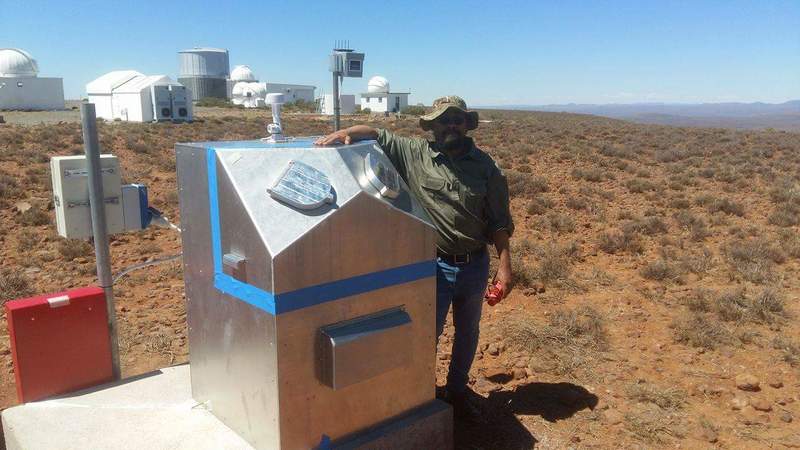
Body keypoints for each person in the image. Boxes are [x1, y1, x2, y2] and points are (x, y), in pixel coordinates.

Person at [315, 96, 514, 420]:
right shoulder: (414, 154)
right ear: (433, 125)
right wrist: (346, 131)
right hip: (431, 266)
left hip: (474, 266)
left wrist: (504, 266)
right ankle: (419, 393)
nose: (451, 125)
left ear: (466, 124)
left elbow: (499, 221)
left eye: (457, 119)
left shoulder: (486, 167)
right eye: (443, 120)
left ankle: (457, 392)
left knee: (468, 332)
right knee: (424, 334)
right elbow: (378, 134)